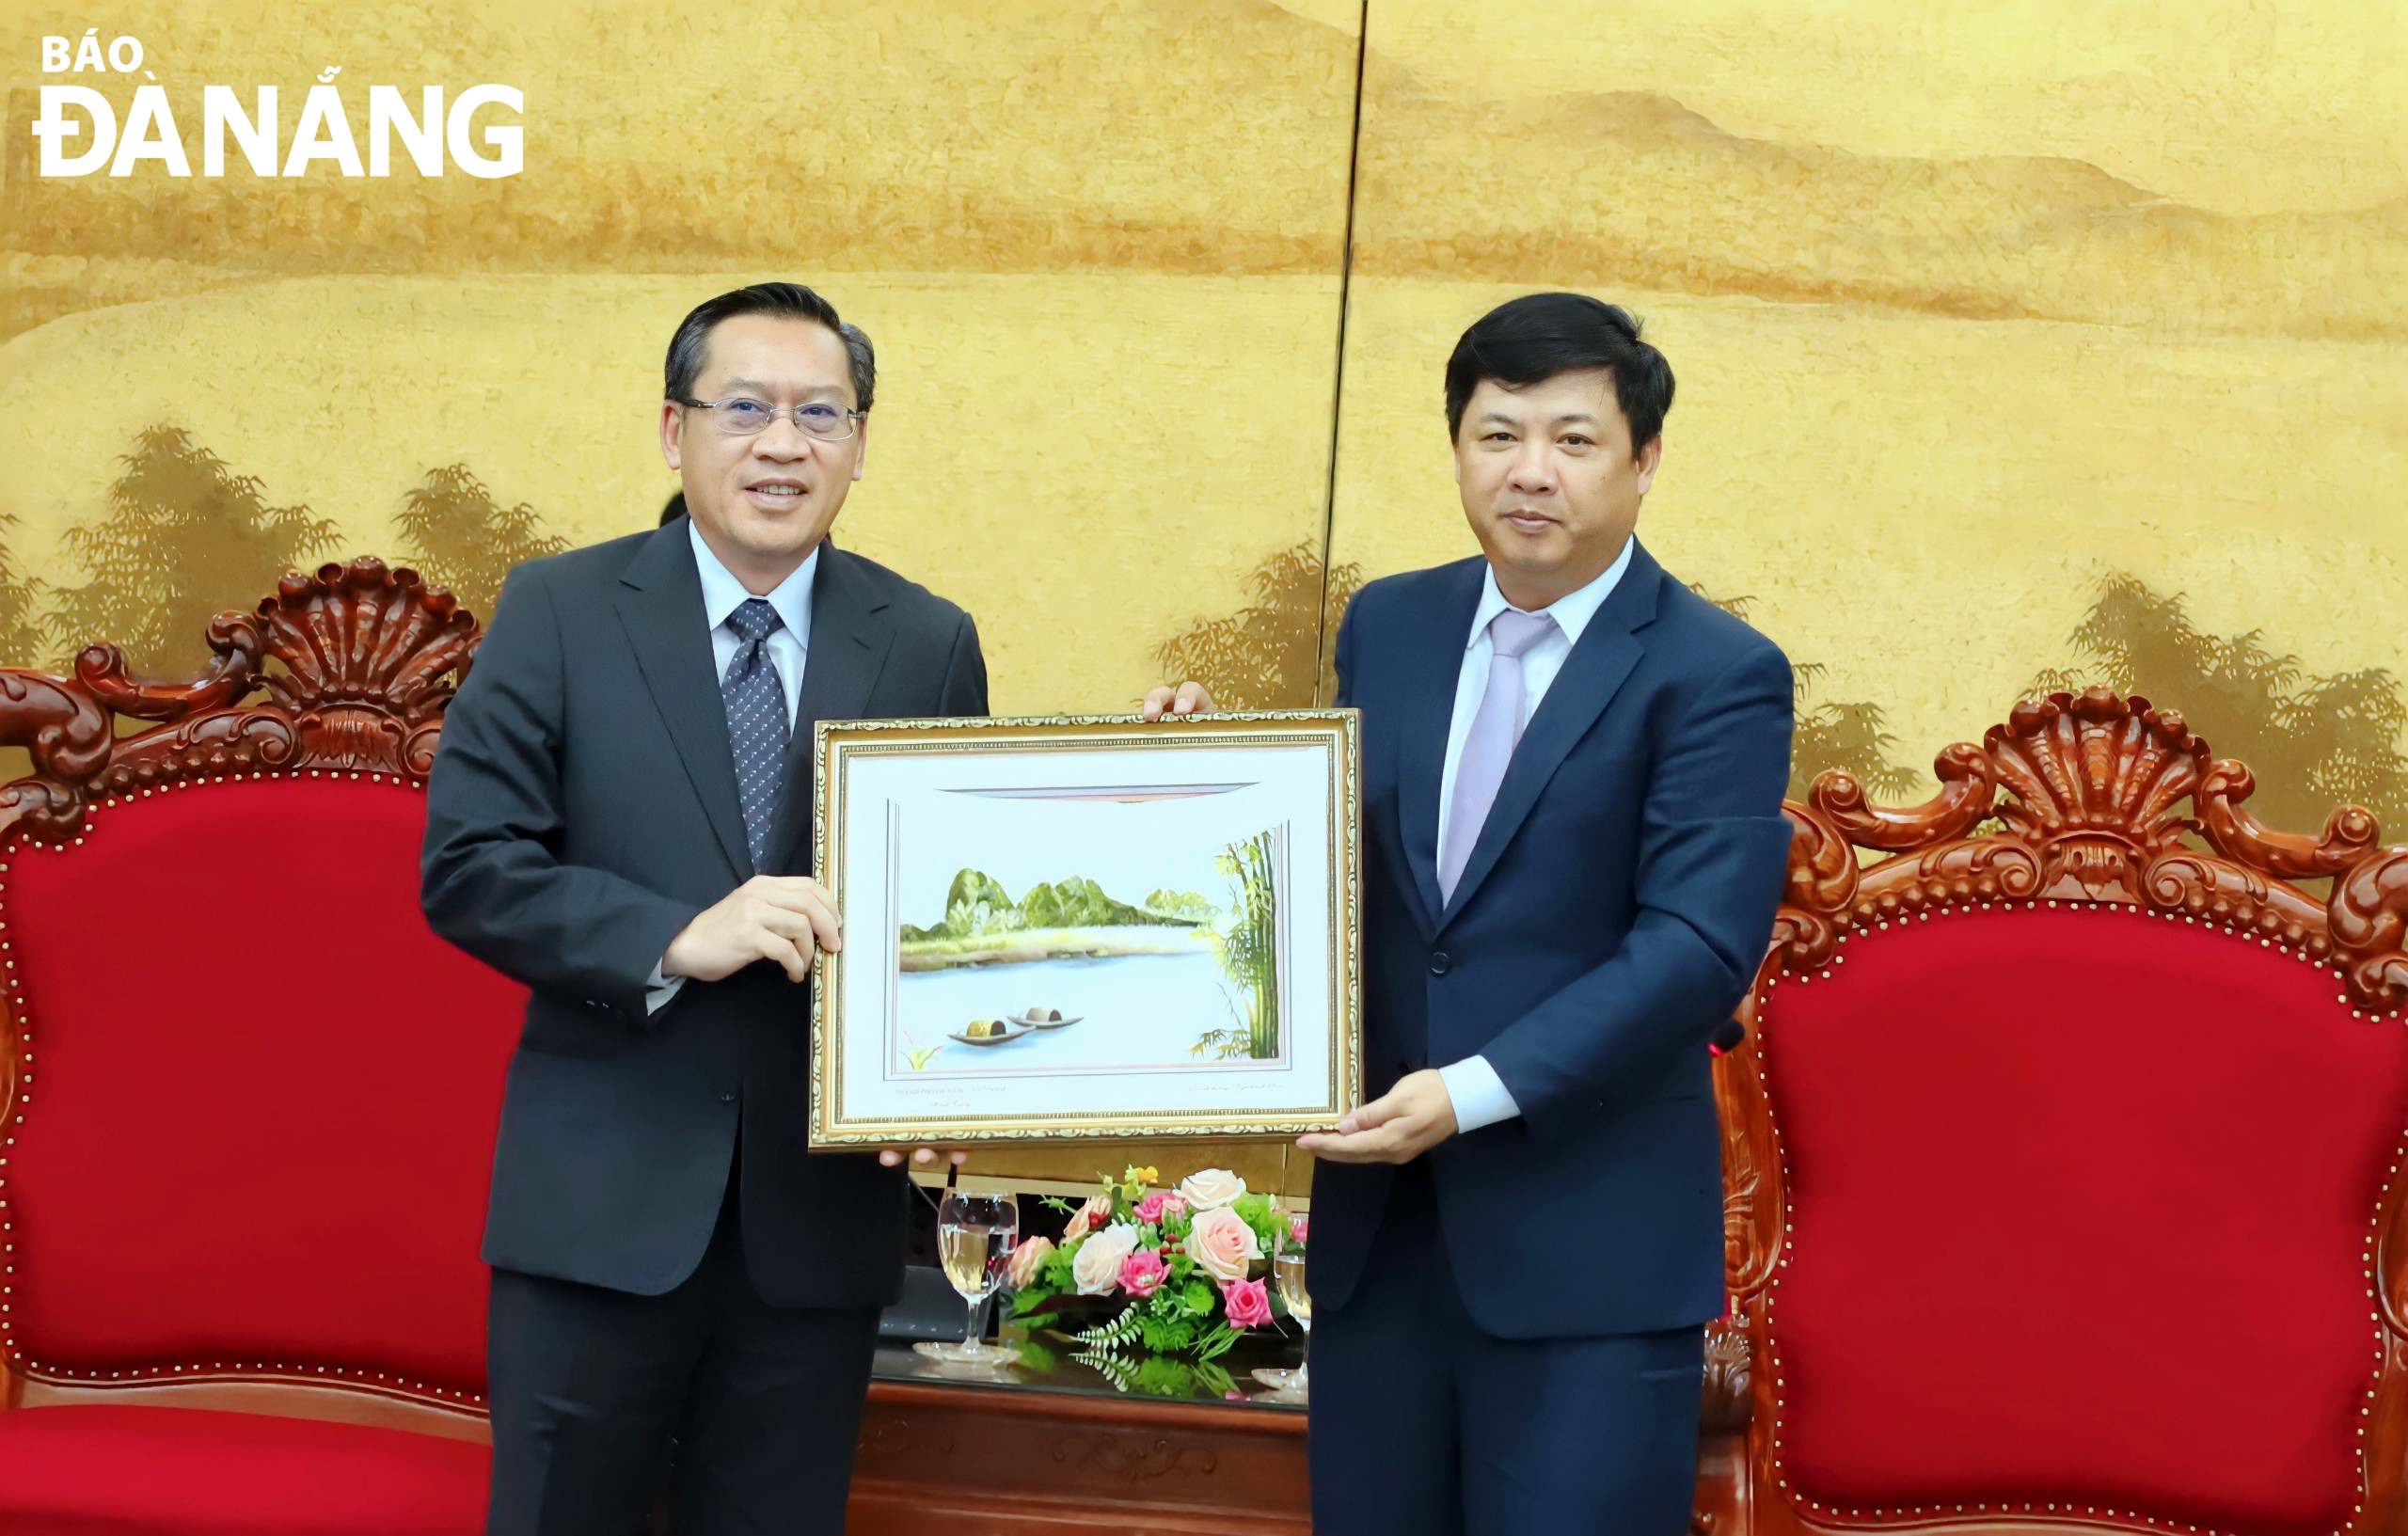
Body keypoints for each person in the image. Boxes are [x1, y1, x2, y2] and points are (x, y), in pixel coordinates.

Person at [1149, 293, 1793, 1533]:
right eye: (1498, 435)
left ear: (1645, 460)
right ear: (1458, 449)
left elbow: (1696, 951)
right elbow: (1340, 872)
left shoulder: (1716, 671)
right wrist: (1192, 786)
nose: (1530, 471)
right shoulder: (1390, 621)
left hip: (1585, 1256)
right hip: (1382, 1251)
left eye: (1572, 437)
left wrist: (1473, 1088)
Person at [422, 282, 985, 1535]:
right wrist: (676, 935)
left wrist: (939, 1081)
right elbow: (469, 865)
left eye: (820, 414)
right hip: (597, 1218)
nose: (783, 444)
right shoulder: (560, 611)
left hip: (815, 1232)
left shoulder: (928, 642)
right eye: (747, 408)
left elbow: (948, 914)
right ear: (675, 430)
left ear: (858, 443)